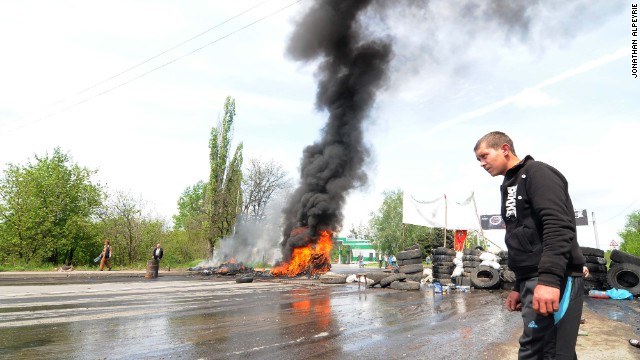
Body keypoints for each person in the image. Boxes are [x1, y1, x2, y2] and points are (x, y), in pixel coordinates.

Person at [474, 131, 585, 359]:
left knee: (551, 353)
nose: (482, 164)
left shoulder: (538, 173)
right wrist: (518, 286)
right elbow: (523, 239)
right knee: (535, 350)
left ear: (505, 149)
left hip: (555, 279)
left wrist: (549, 280)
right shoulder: (509, 184)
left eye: (484, 156)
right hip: (531, 280)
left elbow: (557, 225)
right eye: (478, 160)